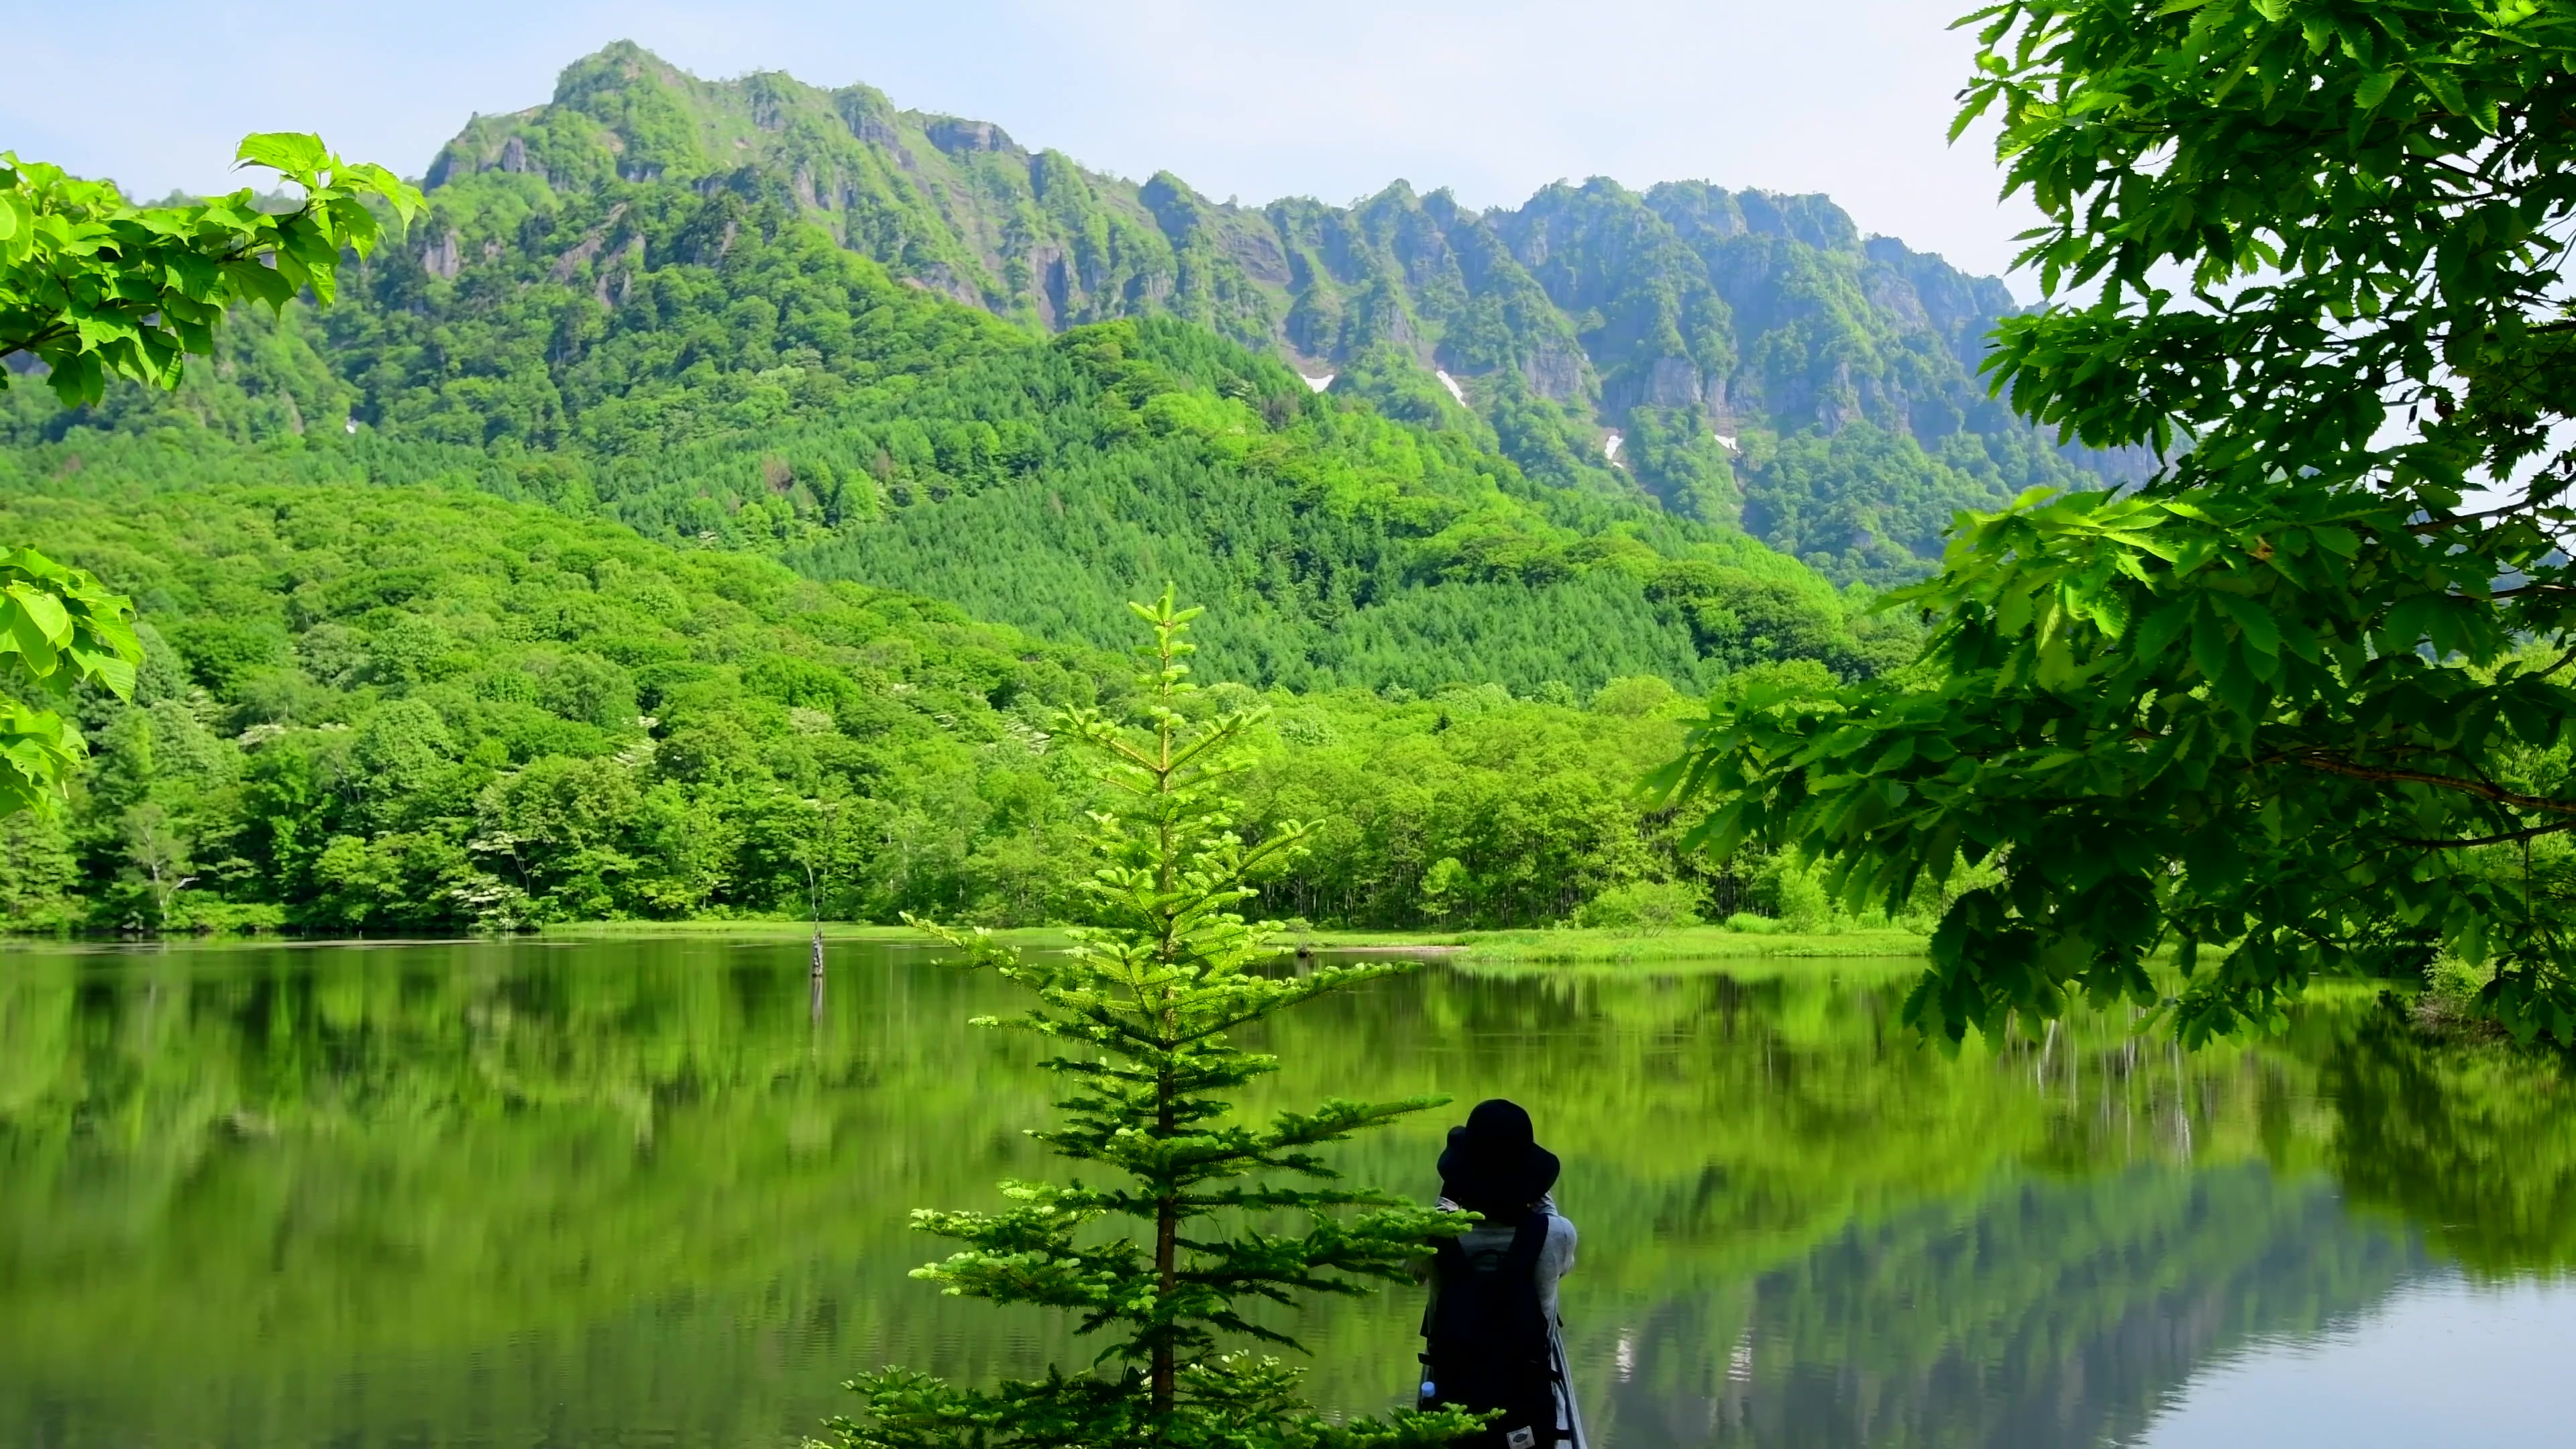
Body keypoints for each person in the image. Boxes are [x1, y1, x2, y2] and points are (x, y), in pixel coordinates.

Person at [1417, 1098, 1586, 1449]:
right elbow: (1559, 1255)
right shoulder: (1558, 1235)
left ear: (1461, 1174)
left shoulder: (1432, 1233)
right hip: (1525, 1405)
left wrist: (1446, 1203)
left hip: (1453, 1394)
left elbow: (1414, 1274)